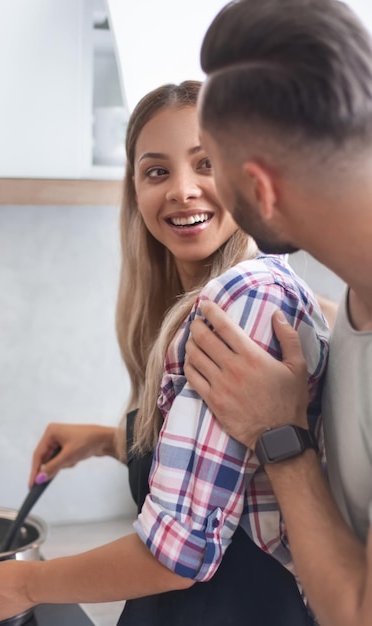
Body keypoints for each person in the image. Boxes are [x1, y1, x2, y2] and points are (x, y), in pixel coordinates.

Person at [0, 80, 328, 626]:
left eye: (207, 164)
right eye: (157, 171)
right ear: (135, 189)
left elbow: (179, 553)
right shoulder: (204, 296)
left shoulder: (242, 297)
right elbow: (232, 469)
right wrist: (109, 441)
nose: (182, 190)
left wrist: (24, 583)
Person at [180, 2, 372, 626]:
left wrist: (278, 433)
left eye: (210, 164)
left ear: (259, 190)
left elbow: (355, 611)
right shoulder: (356, 288)